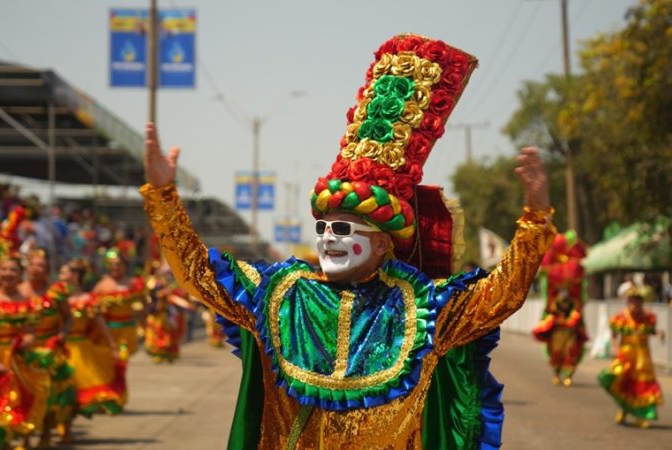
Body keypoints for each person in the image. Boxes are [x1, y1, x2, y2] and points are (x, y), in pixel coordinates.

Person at [140, 34, 556, 449]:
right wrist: (163, 197)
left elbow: (502, 295)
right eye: (323, 228)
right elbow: (198, 274)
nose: (328, 239)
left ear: (381, 244)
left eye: (343, 230)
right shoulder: (280, 295)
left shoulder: (422, 310)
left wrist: (535, 219)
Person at [0, 257, 52, 445]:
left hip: (11, 362)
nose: (8, 273)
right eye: (4, 269)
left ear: (20, 275)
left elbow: (30, 333)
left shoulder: (27, 304)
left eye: (13, 270)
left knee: (6, 410)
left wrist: (26, 342)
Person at [19, 250, 76, 447]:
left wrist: (62, 335)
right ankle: (25, 436)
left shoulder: (57, 291)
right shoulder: (18, 292)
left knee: (50, 394)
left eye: (41, 265)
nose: (36, 269)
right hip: (24, 351)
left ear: (48, 270)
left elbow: (69, 317)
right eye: (33, 265)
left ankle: (45, 432)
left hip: (51, 349)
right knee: (25, 393)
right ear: (27, 268)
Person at [59, 261, 125, 417]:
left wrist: (112, 346)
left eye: (64, 272)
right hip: (58, 347)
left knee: (75, 388)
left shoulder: (87, 300)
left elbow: (100, 325)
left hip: (80, 350)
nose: (60, 276)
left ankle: (67, 425)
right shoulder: (54, 297)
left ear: (75, 276)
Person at [598, 287, 664, 428]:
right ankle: (625, 410)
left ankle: (643, 415)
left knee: (642, 385)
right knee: (623, 383)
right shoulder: (621, 317)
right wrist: (617, 351)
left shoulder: (648, 317)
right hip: (626, 354)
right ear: (628, 302)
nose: (636, 305)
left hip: (643, 356)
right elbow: (614, 336)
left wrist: (659, 333)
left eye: (639, 302)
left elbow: (651, 331)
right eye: (633, 302)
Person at [532, 291, 588, 386]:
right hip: (557, 336)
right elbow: (546, 319)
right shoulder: (552, 309)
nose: (564, 305)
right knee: (557, 355)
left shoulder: (575, 309)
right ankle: (557, 374)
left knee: (570, 355)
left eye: (566, 303)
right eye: (562, 303)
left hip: (570, 335)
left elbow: (579, 322)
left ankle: (568, 376)